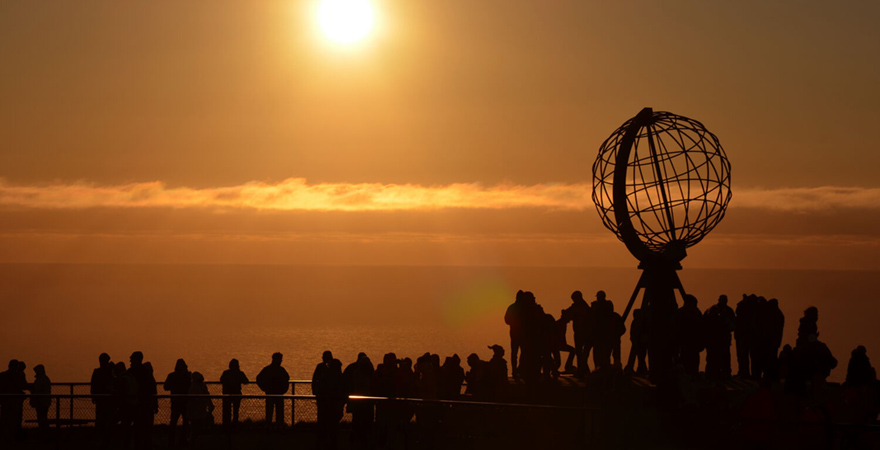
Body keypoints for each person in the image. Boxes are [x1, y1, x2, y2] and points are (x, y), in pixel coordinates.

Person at [343, 353, 374, 449]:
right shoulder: (369, 372)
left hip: (357, 401)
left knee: (357, 421)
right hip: (366, 402)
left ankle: (356, 440)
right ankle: (362, 441)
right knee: (364, 421)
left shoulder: (353, 370)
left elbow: (345, 381)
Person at [704, 295, 735, 380]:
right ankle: (717, 374)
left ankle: (717, 374)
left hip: (719, 339)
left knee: (718, 358)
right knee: (716, 358)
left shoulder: (711, 310)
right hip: (717, 339)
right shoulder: (714, 310)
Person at [505, 290, 533, 379]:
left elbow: (507, 320)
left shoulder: (512, 307)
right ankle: (518, 369)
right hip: (520, 333)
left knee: (516, 353)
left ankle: (516, 370)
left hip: (515, 333)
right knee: (522, 352)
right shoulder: (524, 308)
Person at [163, 358, 192, 445]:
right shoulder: (187, 376)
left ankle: (171, 440)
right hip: (185, 402)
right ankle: (183, 440)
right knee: (186, 422)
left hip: (175, 401)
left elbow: (165, 387)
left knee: (173, 422)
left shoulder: (172, 376)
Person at [256, 352, 290, 425]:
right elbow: (287, 378)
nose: (281, 361)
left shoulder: (268, 369)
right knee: (277, 413)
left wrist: (264, 388)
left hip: (272, 394)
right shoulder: (280, 370)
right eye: (280, 359)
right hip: (276, 394)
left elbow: (258, 378)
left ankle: (271, 428)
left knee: (271, 413)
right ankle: (277, 428)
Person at [563, 291, 591, 376]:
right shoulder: (583, 306)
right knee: (581, 353)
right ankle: (583, 370)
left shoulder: (579, 307)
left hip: (581, 332)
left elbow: (568, 314)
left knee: (580, 352)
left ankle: (582, 371)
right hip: (584, 332)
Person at [676, 295, 704, 378]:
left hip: (689, 340)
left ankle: (689, 373)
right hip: (688, 340)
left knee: (689, 357)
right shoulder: (695, 312)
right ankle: (690, 373)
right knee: (690, 358)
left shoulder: (681, 312)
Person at [90, 353, 115, 434]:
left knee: (102, 416)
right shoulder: (108, 372)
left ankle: (101, 432)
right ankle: (104, 432)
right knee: (104, 416)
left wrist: (93, 395)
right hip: (105, 398)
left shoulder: (98, 372)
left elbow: (93, 384)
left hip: (102, 398)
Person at [187, 372, 214, 447]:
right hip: (195, 411)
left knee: (198, 427)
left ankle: (195, 442)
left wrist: (210, 405)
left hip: (200, 411)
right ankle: (193, 442)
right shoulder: (194, 387)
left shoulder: (200, 386)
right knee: (195, 428)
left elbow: (207, 396)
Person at [220, 358, 249, 427]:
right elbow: (246, 381)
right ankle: (234, 424)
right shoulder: (239, 373)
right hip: (236, 394)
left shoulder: (226, 373)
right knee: (236, 411)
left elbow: (221, 380)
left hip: (227, 394)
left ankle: (226, 425)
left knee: (227, 411)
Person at [625, 309, 649, 376]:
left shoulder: (638, 322)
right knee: (641, 357)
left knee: (641, 356)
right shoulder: (637, 322)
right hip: (638, 342)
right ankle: (642, 369)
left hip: (640, 342)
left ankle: (642, 369)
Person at [29, 365, 52, 434]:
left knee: (41, 417)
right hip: (45, 401)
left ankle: (43, 431)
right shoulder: (45, 378)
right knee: (43, 417)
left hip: (41, 401)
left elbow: (37, 390)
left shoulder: (40, 379)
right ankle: (44, 431)